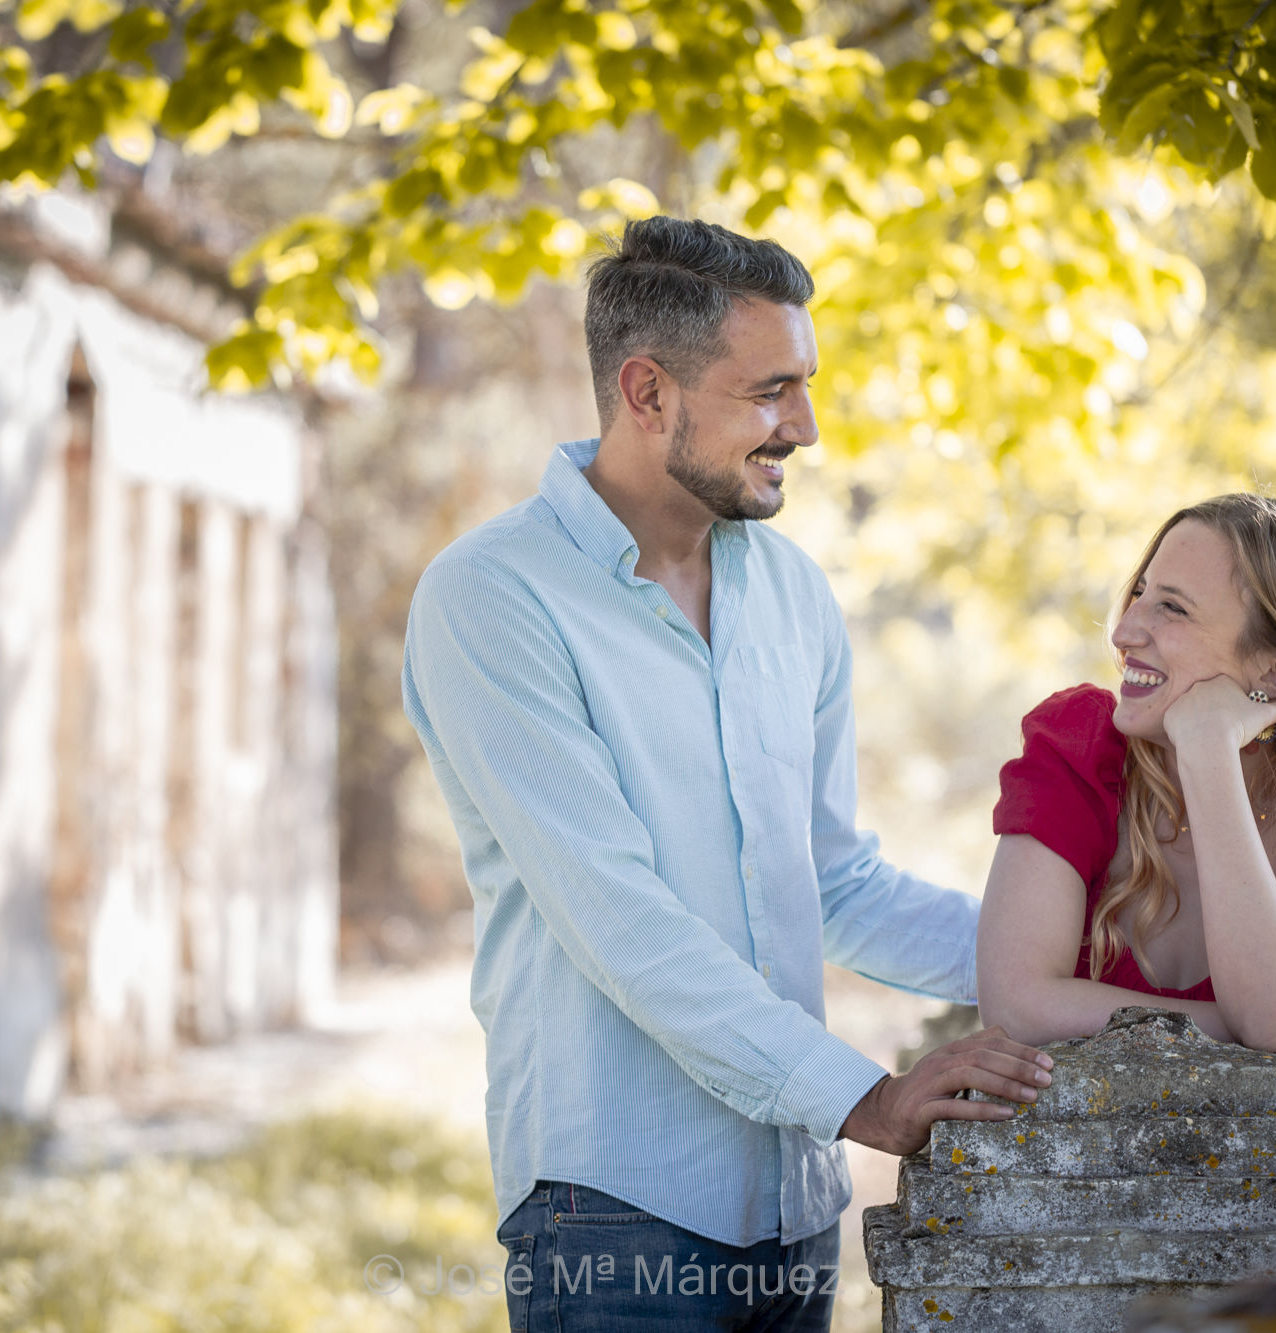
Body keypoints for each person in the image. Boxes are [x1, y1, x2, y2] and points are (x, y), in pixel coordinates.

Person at [401, 216, 1053, 1332]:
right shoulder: (492, 599)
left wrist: (1100, 959)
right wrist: (865, 1096)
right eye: (769, 391)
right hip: (612, 1215)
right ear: (646, 392)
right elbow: (623, 923)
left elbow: (837, 884)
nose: (801, 426)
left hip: (794, 1208)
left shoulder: (791, 593)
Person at [977, 494, 1276, 1108]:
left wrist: (1208, 752)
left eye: (1172, 608)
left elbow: (1275, 1016)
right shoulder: (1080, 747)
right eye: (1141, 591)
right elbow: (1017, 1005)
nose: (1124, 630)